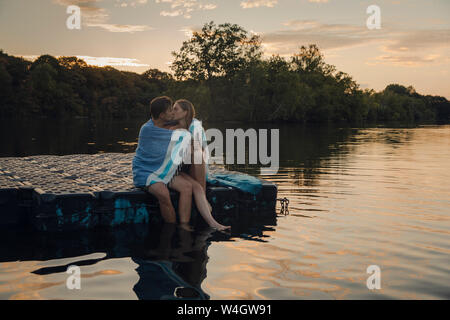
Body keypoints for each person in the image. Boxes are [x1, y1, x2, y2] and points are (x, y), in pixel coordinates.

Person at [132, 96, 229, 231]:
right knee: (163, 193)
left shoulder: (175, 126)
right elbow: (173, 144)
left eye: (174, 109)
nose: (172, 112)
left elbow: (185, 145)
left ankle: (187, 226)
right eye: (170, 110)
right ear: (162, 115)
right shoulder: (148, 129)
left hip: (166, 169)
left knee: (189, 187)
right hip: (147, 171)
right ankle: (170, 230)